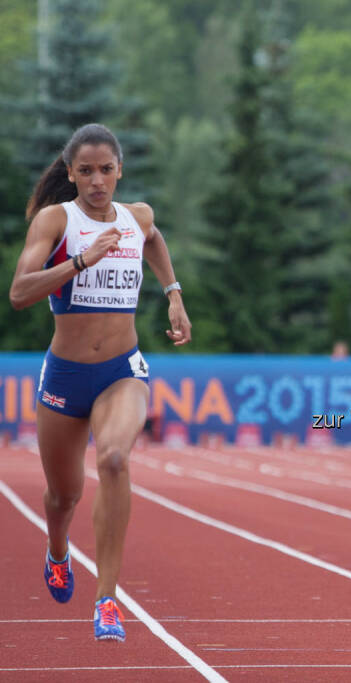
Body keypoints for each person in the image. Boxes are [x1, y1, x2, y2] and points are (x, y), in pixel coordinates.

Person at [8, 123, 192, 642]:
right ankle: (58, 550)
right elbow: (20, 292)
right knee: (62, 498)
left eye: (105, 170)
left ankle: (107, 600)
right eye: (85, 171)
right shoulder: (55, 220)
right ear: (70, 173)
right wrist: (82, 260)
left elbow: (153, 241)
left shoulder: (137, 218)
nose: (96, 181)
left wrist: (173, 293)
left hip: (121, 370)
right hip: (65, 374)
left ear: (119, 172)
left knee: (114, 459)